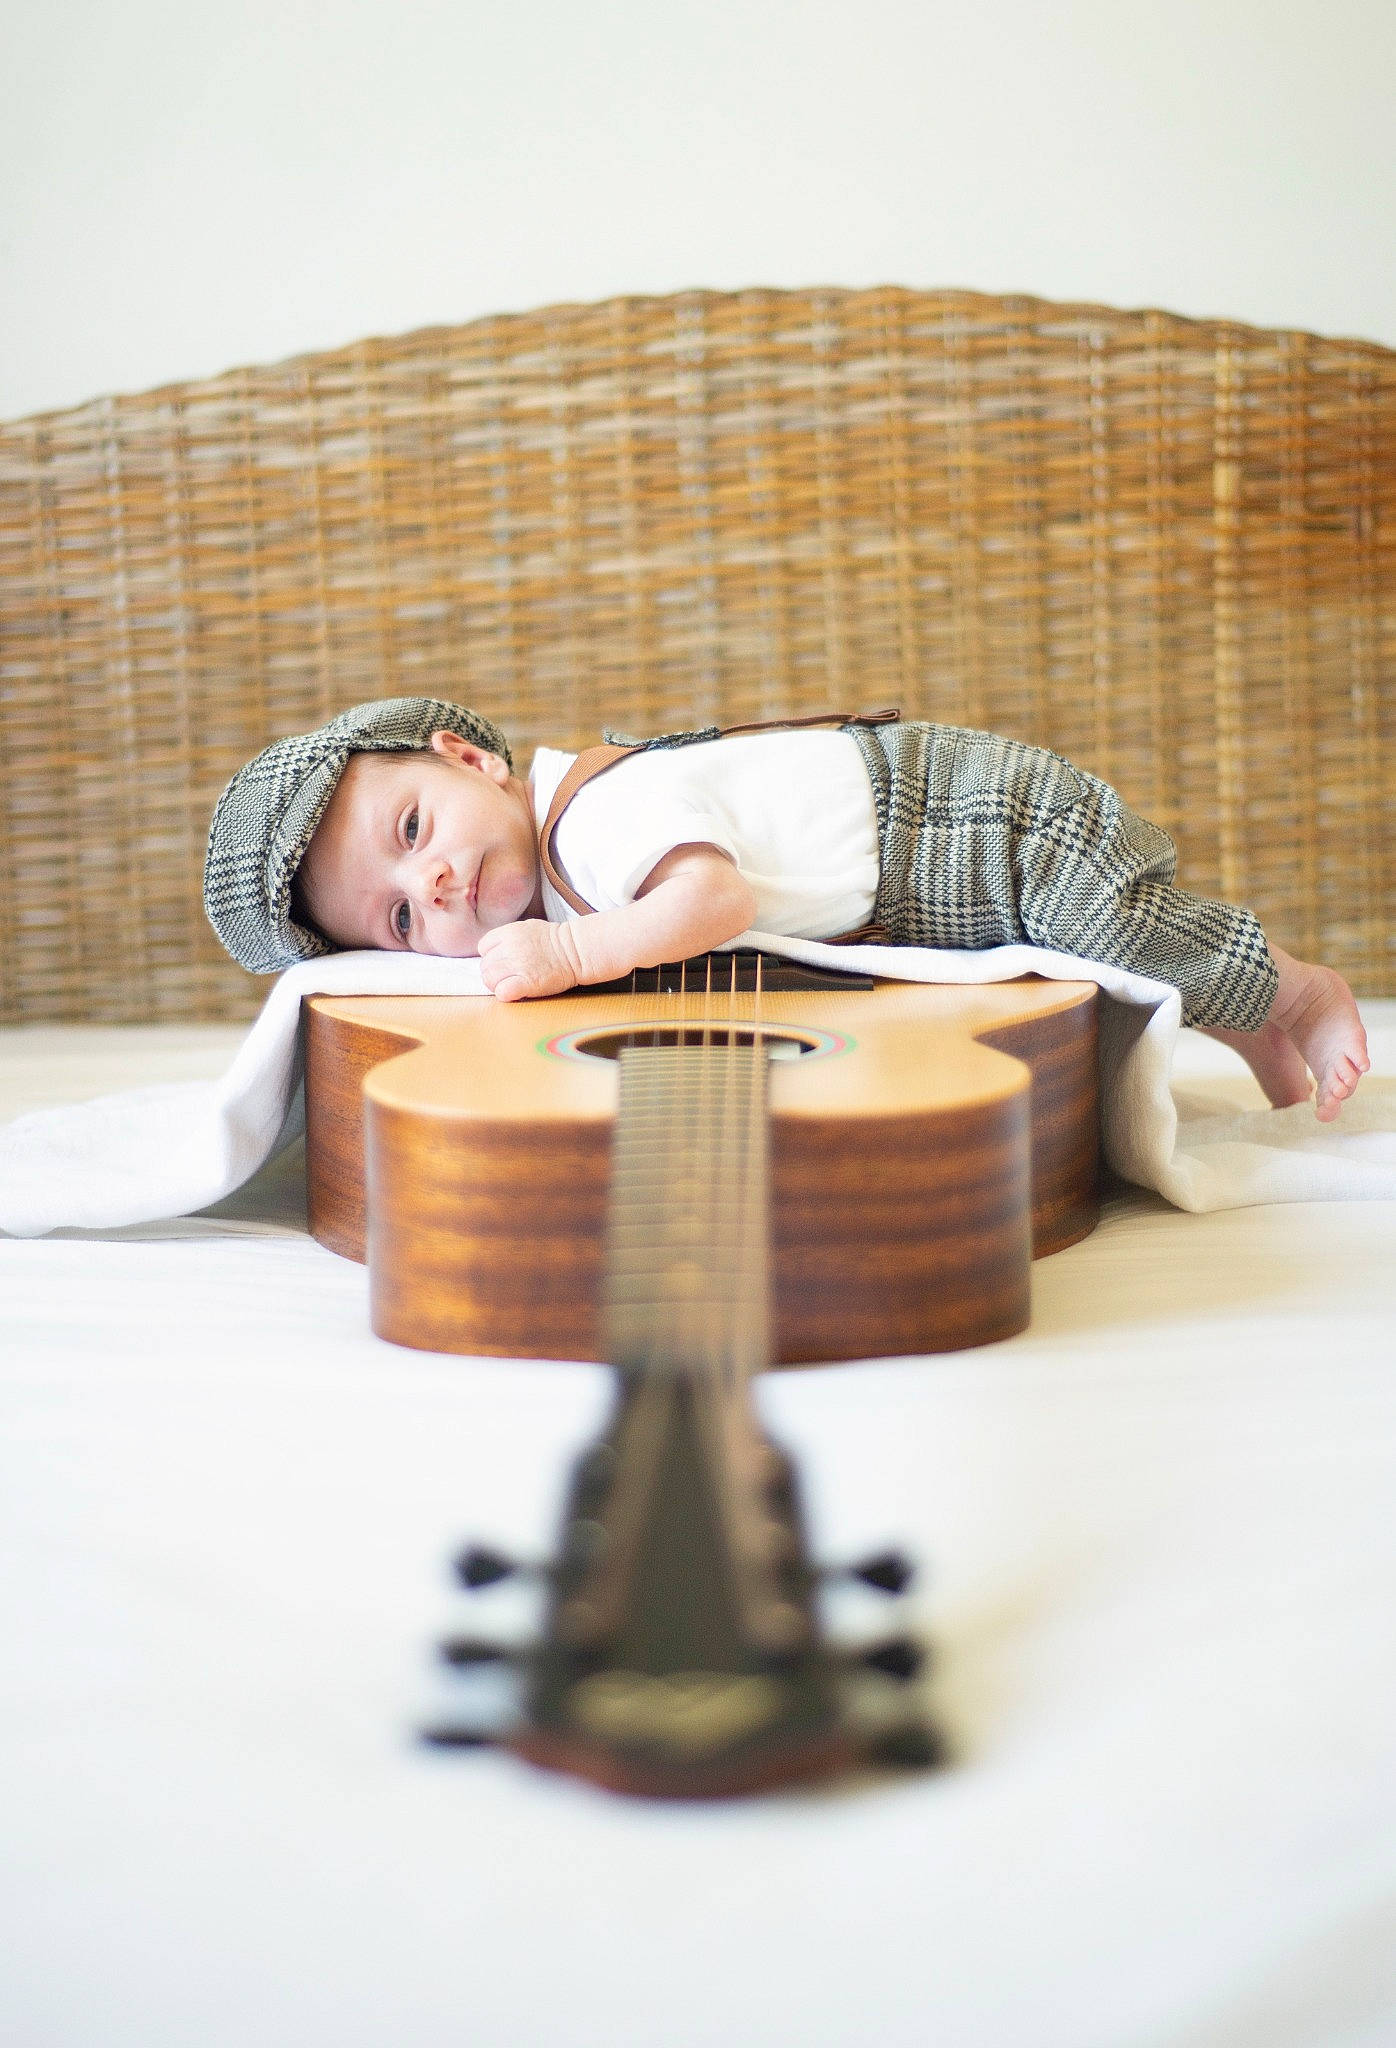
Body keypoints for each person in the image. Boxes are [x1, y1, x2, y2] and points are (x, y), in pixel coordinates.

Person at [203, 696, 1370, 1121]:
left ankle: (1293, 989)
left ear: (468, 757)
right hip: (918, 876)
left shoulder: (595, 821)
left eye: (413, 834)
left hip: (966, 826)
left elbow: (709, 898)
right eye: (402, 919)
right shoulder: (555, 848)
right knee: (1122, 958)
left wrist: (569, 949)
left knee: (1115, 928)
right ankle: (1246, 1020)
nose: (436, 887)